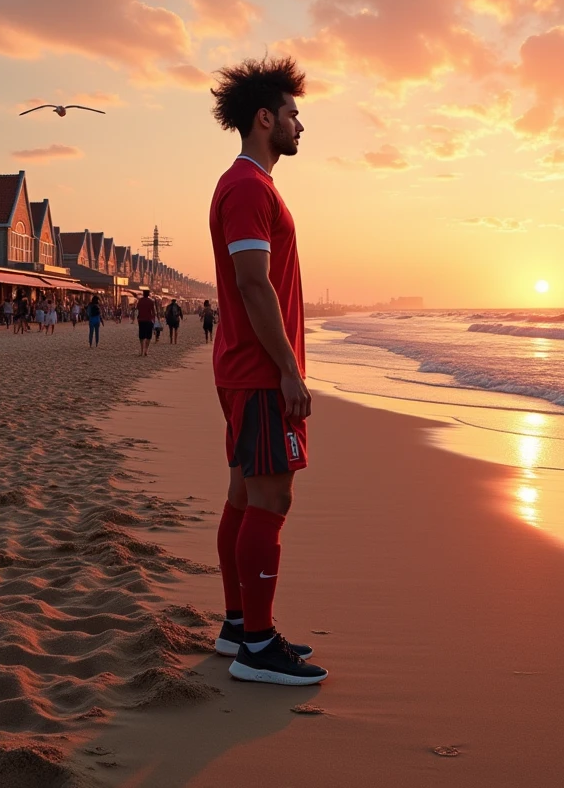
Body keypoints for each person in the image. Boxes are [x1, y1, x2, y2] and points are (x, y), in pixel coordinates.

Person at [209, 56, 326, 687]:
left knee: (242, 497)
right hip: (257, 371)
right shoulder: (250, 187)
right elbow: (255, 287)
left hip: (244, 367)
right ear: (265, 118)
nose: (300, 124)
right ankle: (257, 644)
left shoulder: (250, 185)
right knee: (272, 498)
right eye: (292, 113)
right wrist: (289, 371)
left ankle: (237, 627)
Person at [136, 289, 156, 357]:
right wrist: (154, 320)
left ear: (143, 294)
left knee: (141, 336)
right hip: (149, 320)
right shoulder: (151, 301)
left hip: (141, 320)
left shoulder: (140, 301)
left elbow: (137, 308)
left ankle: (141, 351)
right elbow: (153, 312)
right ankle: (146, 350)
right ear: (148, 294)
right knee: (148, 336)